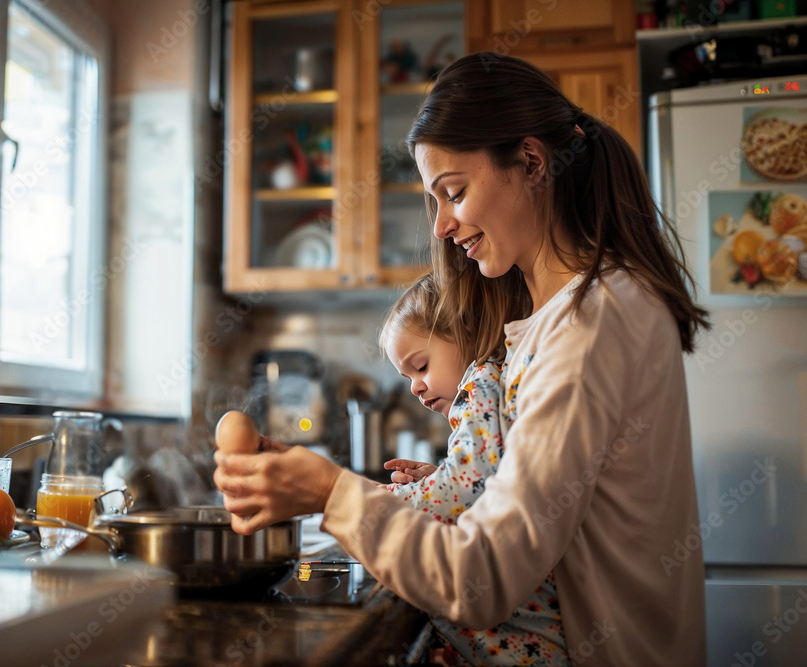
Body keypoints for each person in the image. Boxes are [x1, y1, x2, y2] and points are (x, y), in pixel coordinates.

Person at [215, 53, 710, 666]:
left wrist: (331, 492)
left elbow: (483, 577)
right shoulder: (562, 317)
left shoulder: (591, 320)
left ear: (531, 163)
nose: (444, 225)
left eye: (454, 192)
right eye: (435, 200)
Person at [380, 272, 568, 665]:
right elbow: (487, 483)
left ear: (464, 332)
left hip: (519, 644)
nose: (415, 387)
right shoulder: (491, 381)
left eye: (421, 365)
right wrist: (436, 478)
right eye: (407, 377)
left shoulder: (479, 383)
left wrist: (383, 501)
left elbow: (463, 494)